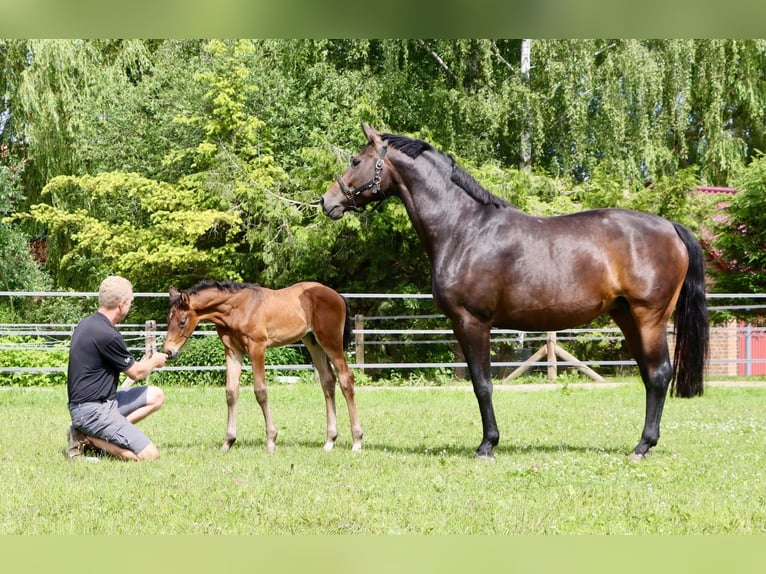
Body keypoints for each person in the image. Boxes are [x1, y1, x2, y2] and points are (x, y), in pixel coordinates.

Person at [66, 275, 168, 461]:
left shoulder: (86, 324)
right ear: (121, 304)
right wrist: (155, 361)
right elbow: (136, 373)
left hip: (102, 403)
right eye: (129, 303)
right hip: (92, 411)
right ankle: (90, 439)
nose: (129, 307)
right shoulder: (108, 335)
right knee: (150, 455)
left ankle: (108, 434)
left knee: (156, 395)